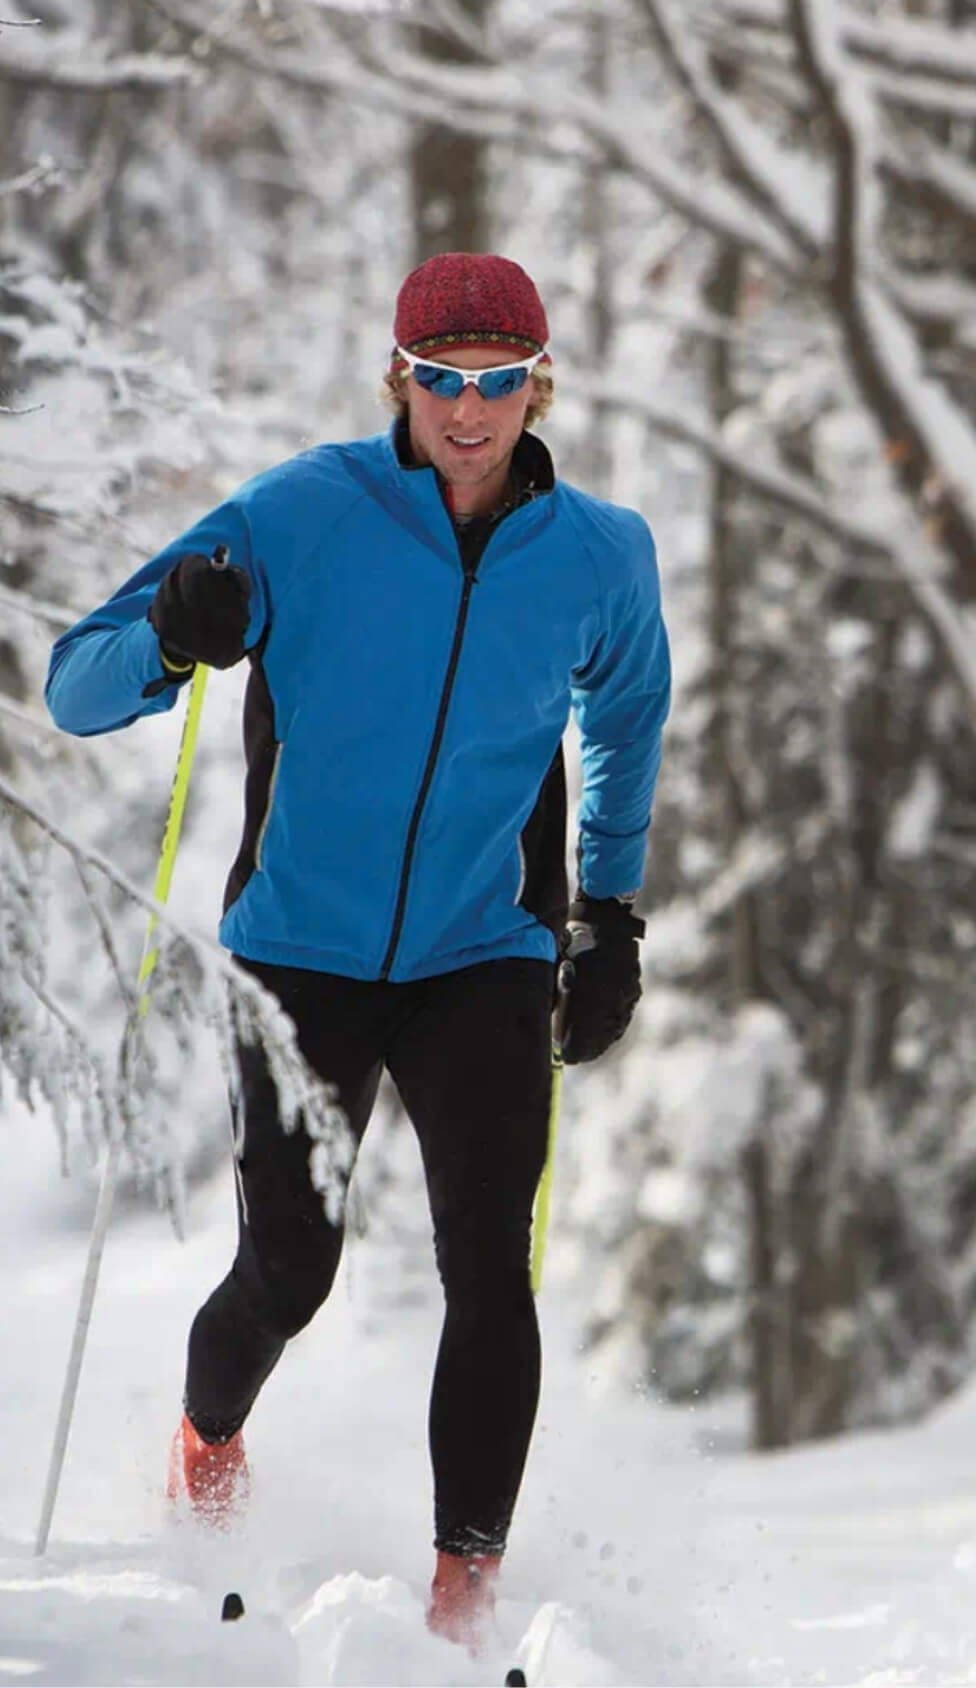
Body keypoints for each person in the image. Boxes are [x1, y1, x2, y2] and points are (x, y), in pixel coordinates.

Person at [45, 252, 671, 1651]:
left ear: (537, 382)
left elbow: (628, 720)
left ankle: (466, 1598)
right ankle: (209, 1439)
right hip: (299, 956)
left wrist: (609, 915)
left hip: (483, 952)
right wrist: (170, 631)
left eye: (497, 378)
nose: (469, 406)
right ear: (398, 378)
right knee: (292, 1268)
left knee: (489, 1268)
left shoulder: (597, 554)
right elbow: (74, 685)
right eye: (441, 377)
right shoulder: (301, 514)